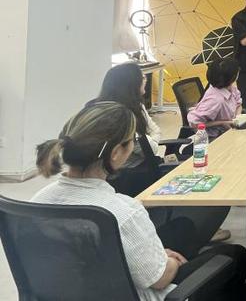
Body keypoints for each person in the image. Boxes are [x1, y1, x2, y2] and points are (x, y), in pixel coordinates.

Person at [32, 102, 246, 301]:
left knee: (183, 227)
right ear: (116, 153)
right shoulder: (124, 212)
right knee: (235, 255)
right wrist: (168, 262)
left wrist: (158, 255)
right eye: (132, 141)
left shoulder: (37, 203)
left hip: (77, 288)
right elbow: (160, 279)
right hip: (145, 293)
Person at [93, 63, 232, 244]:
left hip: (147, 163)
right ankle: (202, 227)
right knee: (205, 176)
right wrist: (148, 137)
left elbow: (154, 133)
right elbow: (147, 146)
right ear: (131, 84)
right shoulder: (118, 115)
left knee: (201, 165)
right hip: (135, 173)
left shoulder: (136, 106)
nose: (145, 81)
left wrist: (148, 137)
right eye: (142, 78)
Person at [188, 58, 242, 141]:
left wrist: (237, 118)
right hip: (213, 139)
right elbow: (194, 124)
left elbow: (239, 104)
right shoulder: (216, 100)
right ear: (234, 77)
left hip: (228, 131)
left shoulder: (231, 88)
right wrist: (222, 122)